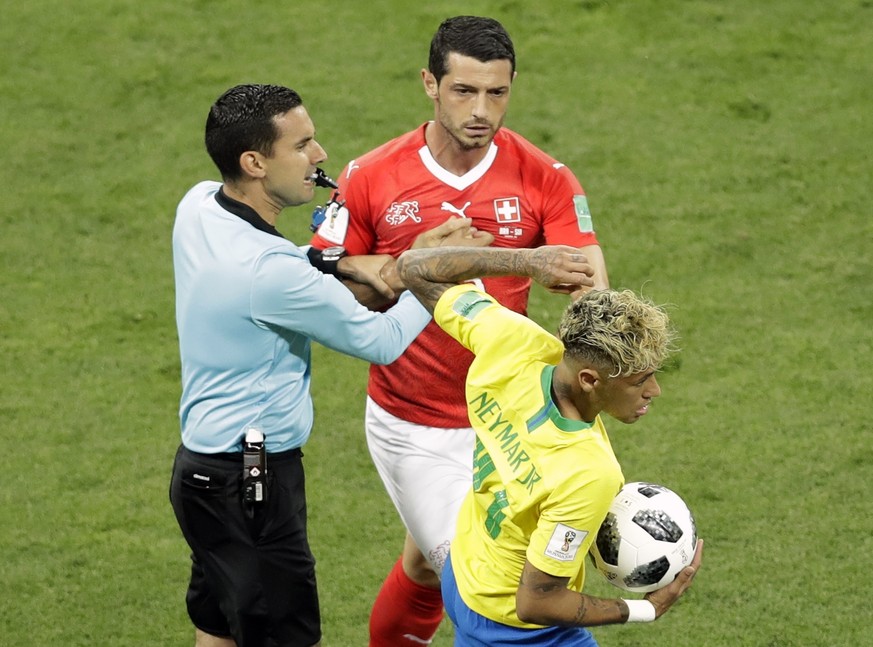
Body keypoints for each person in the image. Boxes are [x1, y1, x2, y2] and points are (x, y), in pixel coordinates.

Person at [309, 15, 610, 646]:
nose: (480, 110)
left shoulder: (545, 177)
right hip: (415, 423)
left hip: (510, 415)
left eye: (496, 93)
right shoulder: (372, 176)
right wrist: (412, 263)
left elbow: (592, 289)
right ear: (430, 84)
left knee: (426, 563)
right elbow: (327, 280)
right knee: (487, 587)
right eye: (463, 91)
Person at [169, 83, 485, 647]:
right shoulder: (270, 274)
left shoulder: (196, 206)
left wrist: (345, 261)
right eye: (303, 145)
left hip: (199, 475)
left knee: (217, 625)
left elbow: (287, 260)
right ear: (255, 162)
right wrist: (433, 275)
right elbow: (384, 341)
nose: (319, 157)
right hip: (253, 487)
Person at [395, 245, 704, 646]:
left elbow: (414, 268)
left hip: (466, 572)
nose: (654, 391)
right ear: (590, 380)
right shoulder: (588, 473)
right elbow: (536, 601)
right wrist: (648, 608)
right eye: (638, 381)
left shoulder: (511, 340)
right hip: (516, 630)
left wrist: (526, 263)